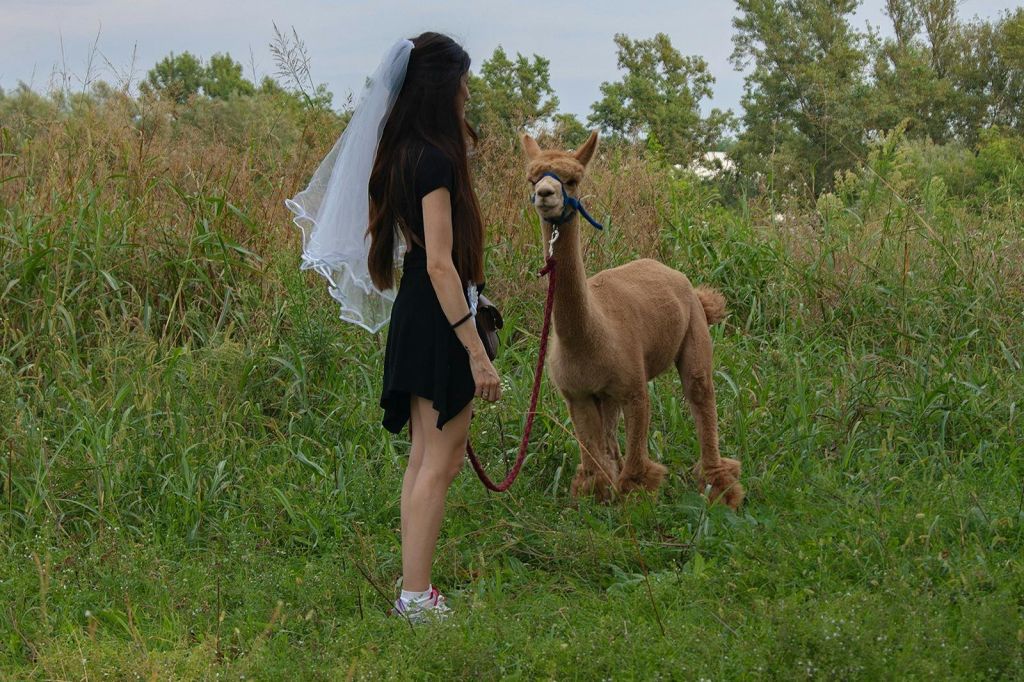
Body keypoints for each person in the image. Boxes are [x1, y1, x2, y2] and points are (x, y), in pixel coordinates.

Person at [286, 32, 500, 624]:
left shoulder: (401, 153)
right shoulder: (435, 158)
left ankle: (415, 589)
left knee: (423, 458)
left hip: (416, 309)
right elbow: (438, 261)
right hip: (437, 313)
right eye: (462, 83)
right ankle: (416, 597)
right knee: (441, 460)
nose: (465, 93)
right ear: (442, 88)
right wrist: (475, 352)